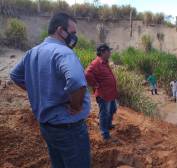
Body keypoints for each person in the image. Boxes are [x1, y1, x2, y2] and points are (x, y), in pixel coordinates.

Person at [10, 13, 91, 168]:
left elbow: (15, 75)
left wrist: (38, 91)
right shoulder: (63, 52)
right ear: (60, 30)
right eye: (72, 33)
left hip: (47, 127)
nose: (74, 37)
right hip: (69, 129)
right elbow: (76, 81)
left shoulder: (32, 52)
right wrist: (76, 106)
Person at [85, 44, 118, 141]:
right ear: (103, 52)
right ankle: (105, 134)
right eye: (108, 51)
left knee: (112, 109)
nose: (110, 53)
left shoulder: (104, 62)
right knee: (104, 113)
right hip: (104, 94)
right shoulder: (96, 63)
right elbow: (87, 74)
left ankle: (108, 125)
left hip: (110, 93)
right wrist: (95, 84)